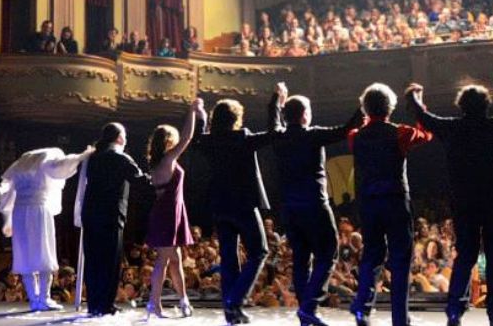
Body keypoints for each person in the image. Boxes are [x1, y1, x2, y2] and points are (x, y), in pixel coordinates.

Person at [405, 78, 493, 326]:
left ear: (461, 106)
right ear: (486, 105)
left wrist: (414, 98)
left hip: (465, 201)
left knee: (465, 255)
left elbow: (426, 119)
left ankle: (454, 311)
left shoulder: (453, 128)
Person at [271, 90, 363, 326]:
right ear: (304, 114)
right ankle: (309, 306)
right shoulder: (312, 135)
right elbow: (346, 129)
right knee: (328, 253)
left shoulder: (279, 137)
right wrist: (363, 104)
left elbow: (273, 122)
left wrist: (276, 102)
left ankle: (305, 313)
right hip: (313, 205)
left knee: (301, 259)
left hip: (289, 209)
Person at [194, 87, 284, 324]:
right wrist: (275, 103)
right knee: (259, 252)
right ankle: (235, 301)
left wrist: (200, 117)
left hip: (220, 204)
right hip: (243, 204)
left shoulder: (210, 141)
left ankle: (231, 312)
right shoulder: (242, 137)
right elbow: (274, 133)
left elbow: (196, 139)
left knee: (229, 258)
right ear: (236, 118)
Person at [348, 83, 432, 326]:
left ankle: (362, 308)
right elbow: (426, 134)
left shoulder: (355, 136)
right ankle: (399, 318)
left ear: (365, 109)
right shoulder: (400, 133)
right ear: (391, 108)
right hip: (395, 200)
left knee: (371, 255)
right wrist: (419, 104)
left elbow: (362, 129)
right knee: (400, 260)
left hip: (368, 202)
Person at [0, 146, 90, 311]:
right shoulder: (45, 162)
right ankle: (43, 298)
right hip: (38, 210)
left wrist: (8, 220)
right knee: (44, 253)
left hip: (20, 212)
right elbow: (63, 164)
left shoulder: (20, 168)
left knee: (26, 256)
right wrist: (82, 155)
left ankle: (34, 299)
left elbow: (8, 194)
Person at [79, 122, 150, 317]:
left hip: (90, 214)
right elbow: (140, 181)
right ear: (119, 138)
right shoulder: (120, 157)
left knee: (93, 260)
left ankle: (94, 304)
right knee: (110, 261)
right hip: (110, 215)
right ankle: (106, 305)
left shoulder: (93, 158)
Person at [145, 98, 206, 318]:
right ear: (168, 141)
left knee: (175, 258)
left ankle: (183, 301)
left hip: (171, 212)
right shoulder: (167, 160)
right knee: (163, 259)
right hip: (167, 214)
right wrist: (192, 112)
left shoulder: (159, 162)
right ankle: (154, 303)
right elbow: (188, 137)